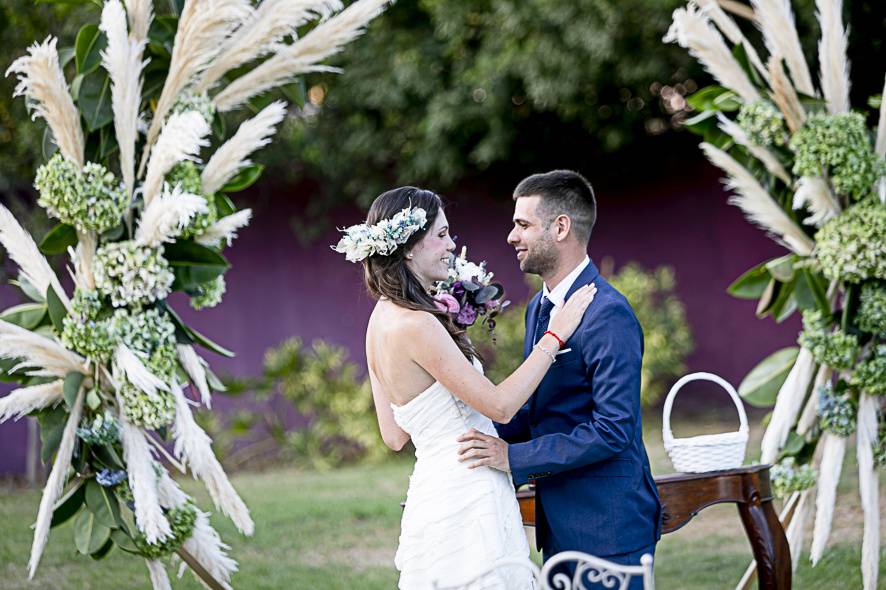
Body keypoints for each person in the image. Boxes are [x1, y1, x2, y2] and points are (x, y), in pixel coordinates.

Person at [333, 186, 596, 589]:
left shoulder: (379, 319)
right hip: (469, 491)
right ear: (407, 248)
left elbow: (394, 435)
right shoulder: (417, 325)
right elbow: (501, 407)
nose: (452, 245)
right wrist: (555, 336)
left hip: (431, 491)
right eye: (441, 235)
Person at [457, 170, 662, 590]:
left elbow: (613, 430)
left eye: (523, 225)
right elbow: (537, 410)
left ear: (561, 227)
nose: (512, 237)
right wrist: (466, 430)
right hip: (559, 525)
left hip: (607, 525)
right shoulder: (539, 309)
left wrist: (512, 458)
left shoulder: (608, 313)